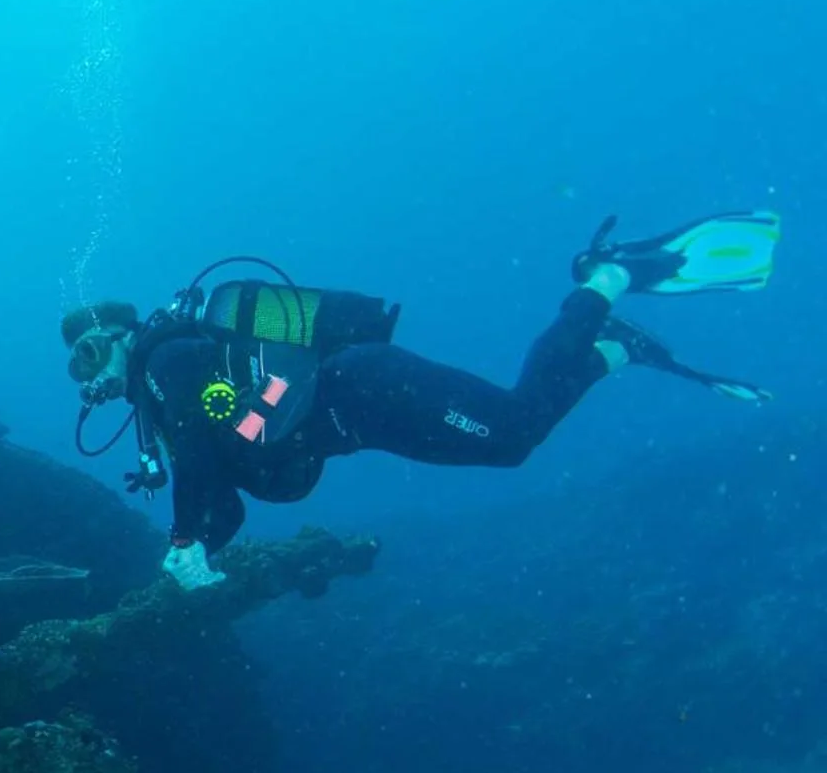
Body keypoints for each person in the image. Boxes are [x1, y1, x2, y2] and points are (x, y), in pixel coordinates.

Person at [61, 212, 780, 591]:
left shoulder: (167, 359)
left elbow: (198, 449)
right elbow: (225, 496)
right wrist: (198, 558)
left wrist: (184, 542)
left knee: (512, 430)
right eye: (75, 366)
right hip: (358, 417)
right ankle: (611, 347)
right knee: (511, 446)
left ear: (122, 336)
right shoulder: (163, 398)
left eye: (90, 352)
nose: (87, 374)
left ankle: (603, 281)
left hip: (365, 387)